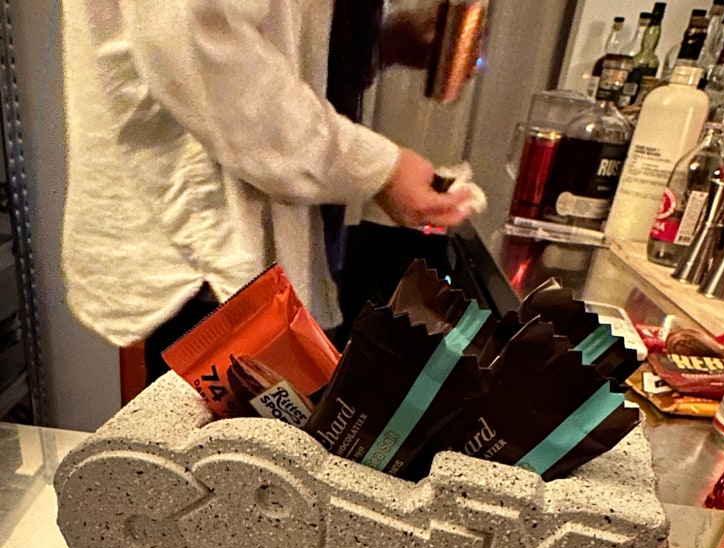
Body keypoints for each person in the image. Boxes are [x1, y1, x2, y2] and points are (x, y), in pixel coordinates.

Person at [61, 0, 473, 381]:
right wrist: (379, 169)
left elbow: (275, 41)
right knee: (231, 435)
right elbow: (206, 53)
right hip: (213, 251)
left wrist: (380, 43)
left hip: (270, 247)